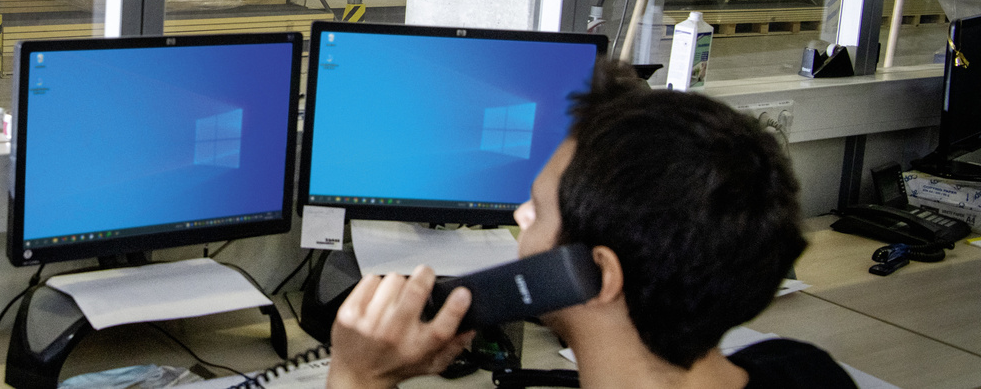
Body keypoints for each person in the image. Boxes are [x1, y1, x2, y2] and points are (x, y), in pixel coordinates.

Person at [327, 60, 858, 389]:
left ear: (594, 273)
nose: (520, 215)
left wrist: (359, 376)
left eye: (537, 208)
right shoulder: (805, 369)